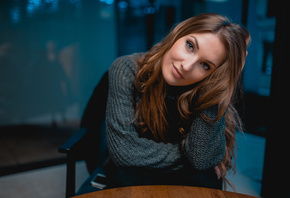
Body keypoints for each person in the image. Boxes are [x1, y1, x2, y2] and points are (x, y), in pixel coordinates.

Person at [104, 13, 251, 190]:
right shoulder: (125, 69)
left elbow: (200, 159)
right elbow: (124, 152)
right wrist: (185, 156)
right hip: (132, 172)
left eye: (205, 65)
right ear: (178, 34)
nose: (187, 66)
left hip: (176, 174)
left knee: (206, 177)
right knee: (126, 173)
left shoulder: (204, 86)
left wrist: (222, 81)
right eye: (190, 46)